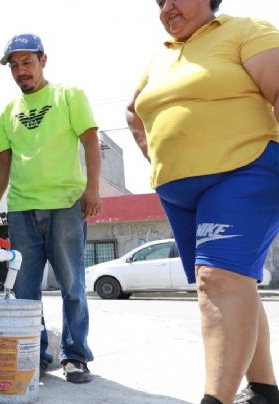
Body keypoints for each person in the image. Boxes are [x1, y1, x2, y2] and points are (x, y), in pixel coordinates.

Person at [126, 0, 279, 403]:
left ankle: (216, 399)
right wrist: (156, 151)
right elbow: (132, 110)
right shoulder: (160, 55)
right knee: (232, 281)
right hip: (178, 190)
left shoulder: (246, 30)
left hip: (245, 170)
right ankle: (264, 390)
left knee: (219, 282)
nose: (166, 6)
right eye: (159, 2)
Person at [0, 32, 102, 384]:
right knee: (25, 293)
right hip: (22, 212)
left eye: (27, 62)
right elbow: (1, 164)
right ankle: (35, 355)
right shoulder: (8, 112)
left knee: (72, 286)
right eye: (15, 65)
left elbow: (91, 142)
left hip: (66, 204)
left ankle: (75, 355)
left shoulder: (68, 96)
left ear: (43, 61)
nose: (21, 70)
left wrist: (92, 188)